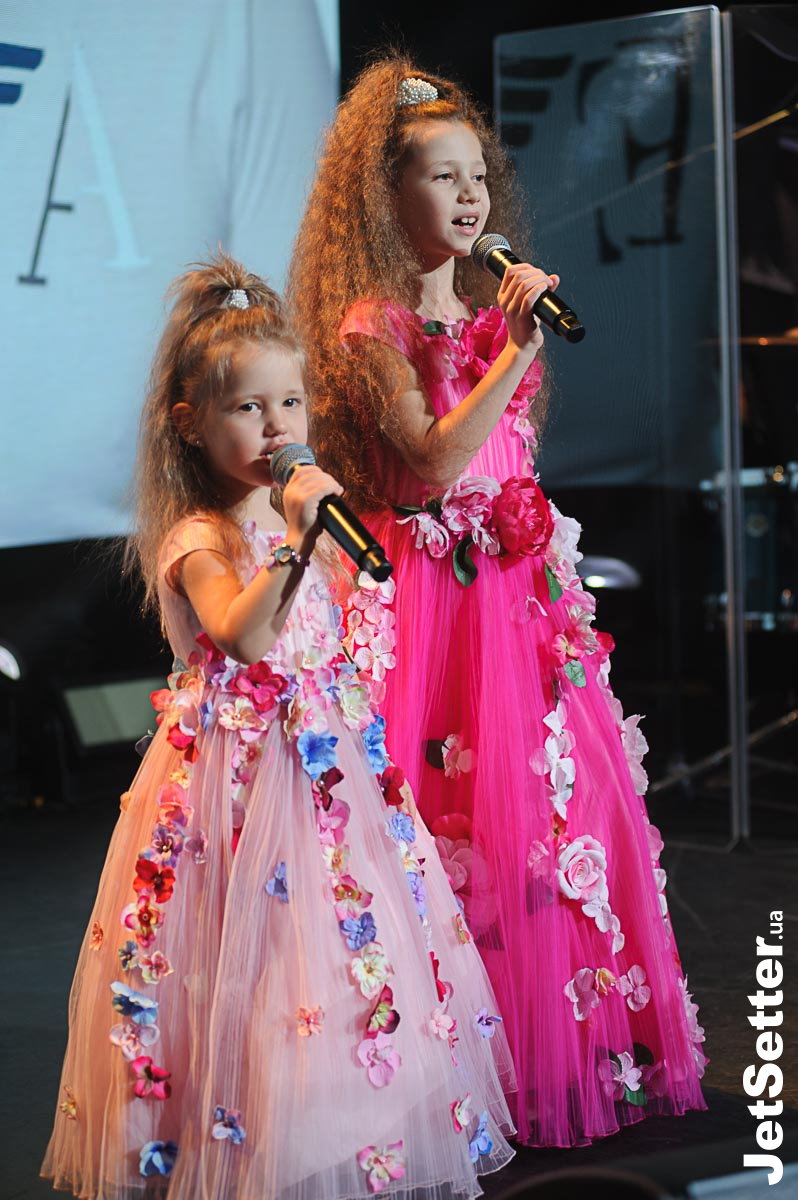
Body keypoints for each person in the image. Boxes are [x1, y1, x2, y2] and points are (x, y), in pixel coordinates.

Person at [289, 56, 708, 1148]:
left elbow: (504, 461)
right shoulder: (371, 325)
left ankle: (547, 1050)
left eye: (477, 174)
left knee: (546, 816)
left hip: (517, 598)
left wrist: (513, 345)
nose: (470, 196)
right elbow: (431, 463)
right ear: (387, 197)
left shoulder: (489, 307)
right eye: (441, 177)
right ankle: (442, 1078)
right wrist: (516, 352)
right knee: (443, 823)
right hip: (432, 607)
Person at [40, 253, 517, 1199]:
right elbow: (244, 634)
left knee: (340, 947)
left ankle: (337, 1128)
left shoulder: (309, 518)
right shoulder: (202, 538)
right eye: (249, 408)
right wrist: (299, 539)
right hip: (234, 783)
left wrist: (315, 541)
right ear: (191, 423)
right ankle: (244, 1135)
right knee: (243, 956)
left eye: (289, 404)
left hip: (325, 773)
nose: (277, 428)